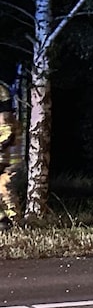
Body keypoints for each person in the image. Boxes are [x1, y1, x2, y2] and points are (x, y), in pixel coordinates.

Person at [0, 85, 22, 229]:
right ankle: (5, 220)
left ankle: (13, 222)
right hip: (6, 162)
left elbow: (7, 138)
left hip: (9, 164)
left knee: (5, 189)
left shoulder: (6, 119)